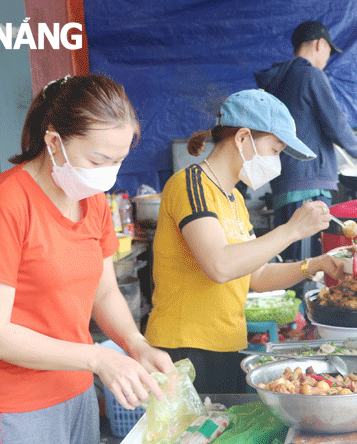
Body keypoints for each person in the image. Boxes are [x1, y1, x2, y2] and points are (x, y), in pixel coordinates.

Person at [0, 74, 175, 444]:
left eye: (119, 160)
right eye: (98, 158)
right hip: (15, 406)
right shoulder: (4, 203)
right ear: (54, 143)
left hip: (76, 394)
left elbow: (104, 293)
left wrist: (134, 344)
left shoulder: (91, 201)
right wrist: (97, 358)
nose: (109, 171)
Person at [144, 89, 345, 394]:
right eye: (275, 150)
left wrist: (313, 265)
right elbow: (220, 265)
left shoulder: (234, 198)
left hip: (227, 345)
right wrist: (292, 230)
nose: (277, 162)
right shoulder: (190, 184)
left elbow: (258, 276)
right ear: (241, 139)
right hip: (186, 350)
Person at [254, 20, 357, 261]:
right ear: (319, 44)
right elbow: (335, 122)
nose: (327, 59)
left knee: (290, 258)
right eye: (328, 51)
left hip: (285, 182)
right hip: (308, 184)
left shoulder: (280, 81)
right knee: (308, 262)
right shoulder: (310, 75)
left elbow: (300, 124)